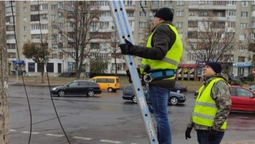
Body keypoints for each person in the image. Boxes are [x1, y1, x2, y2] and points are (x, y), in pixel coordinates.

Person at [119, 7, 183, 144]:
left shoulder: (162, 29)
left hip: (159, 81)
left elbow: (158, 53)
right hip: (164, 78)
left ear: (159, 18)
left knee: (161, 116)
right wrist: (139, 74)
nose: (153, 21)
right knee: (159, 114)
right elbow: (153, 62)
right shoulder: (173, 31)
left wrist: (133, 50)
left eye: (154, 18)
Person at [185, 62, 232, 144]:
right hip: (202, 129)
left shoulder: (219, 84)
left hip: (210, 130)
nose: (204, 68)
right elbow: (198, 109)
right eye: (204, 66)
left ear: (215, 71)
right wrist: (190, 126)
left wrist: (215, 129)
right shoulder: (205, 85)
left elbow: (224, 107)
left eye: (208, 67)